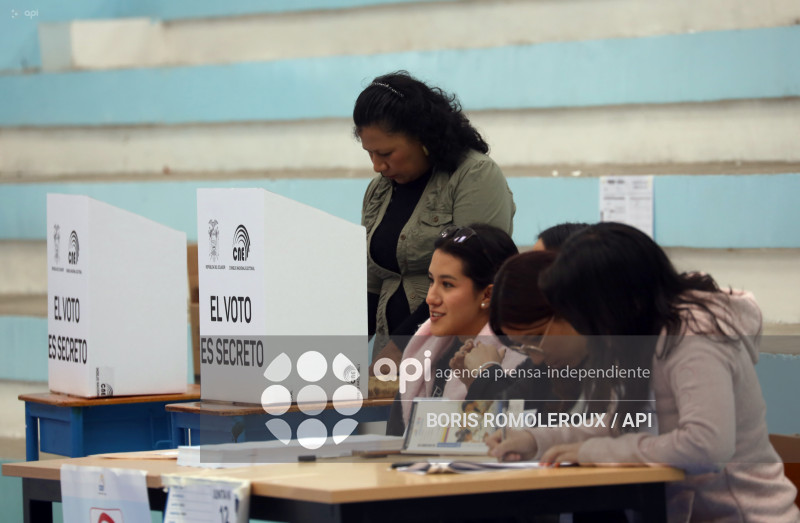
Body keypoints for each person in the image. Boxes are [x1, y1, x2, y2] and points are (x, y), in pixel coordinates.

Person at [486, 222, 800, 522]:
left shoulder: (694, 335)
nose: (582, 327)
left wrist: (593, 451)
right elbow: (619, 425)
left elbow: (706, 446)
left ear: (612, 301)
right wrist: (534, 440)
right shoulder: (636, 339)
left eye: (581, 313)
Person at [355, 71, 516, 370]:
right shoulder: (378, 191)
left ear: (421, 136)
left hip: (453, 356)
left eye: (386, 153)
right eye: (370, 153)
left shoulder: (474, 175)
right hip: (391, 360)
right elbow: (371, 286)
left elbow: (473, 275)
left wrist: (402, 347)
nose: (377, 165)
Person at [384, 223, 521, 436]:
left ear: (487, 295)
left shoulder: (522, 361)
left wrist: (485, 375)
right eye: (431, 281)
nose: (430, 298)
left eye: (447, 284)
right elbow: (395, 440)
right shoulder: (421, 352)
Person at [450, 250, 587, 414]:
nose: (536, 359)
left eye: (536, 339)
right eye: (523, 348)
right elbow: (514, 412)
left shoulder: (611, 364)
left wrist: (487, 374)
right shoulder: (547, 365)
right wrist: (476, 381)